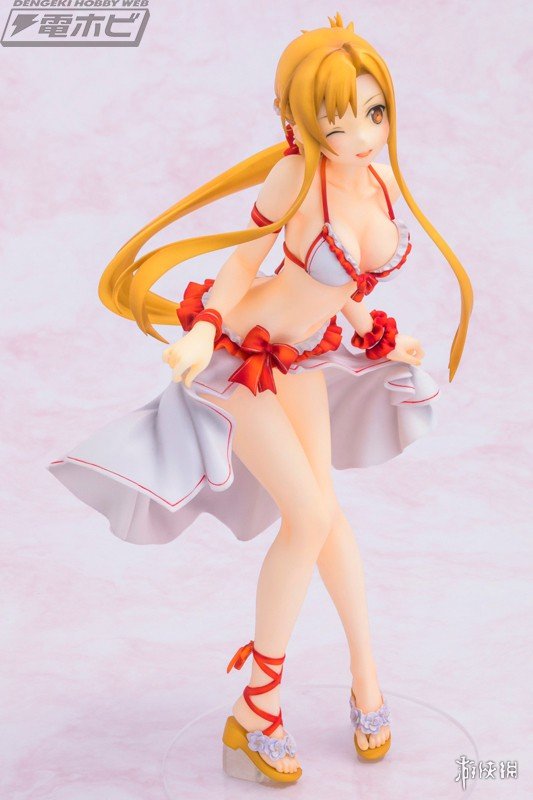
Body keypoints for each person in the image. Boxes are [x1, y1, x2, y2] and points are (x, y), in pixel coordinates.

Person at [47, 11, 473, 785]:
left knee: (327, 516)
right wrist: (203, 333)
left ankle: (365, 679)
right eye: (336, 123)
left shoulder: (378, 180)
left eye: (373, 113)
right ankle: (255, 709)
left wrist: (377, 333)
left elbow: (343, 282)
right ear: (299, 121)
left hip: (301, 357)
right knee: (306, 516)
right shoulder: (295, 179)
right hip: (242, 357)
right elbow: (244, 266)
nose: (361, 136)